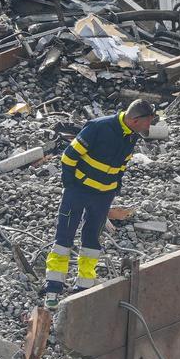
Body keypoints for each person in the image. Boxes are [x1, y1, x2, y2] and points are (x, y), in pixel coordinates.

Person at [43, 99, 157, 307]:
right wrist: (71, 185)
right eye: (148, 121)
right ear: (134, 120)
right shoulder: (99, 127)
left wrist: (115, 187)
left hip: (103, 196)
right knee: (64, 236)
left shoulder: (131, 136)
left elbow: (121, 165)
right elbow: (69, 157)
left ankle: (84, 287)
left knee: (92, 239)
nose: (150, 126)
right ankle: (53, 288)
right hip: (78, 191)